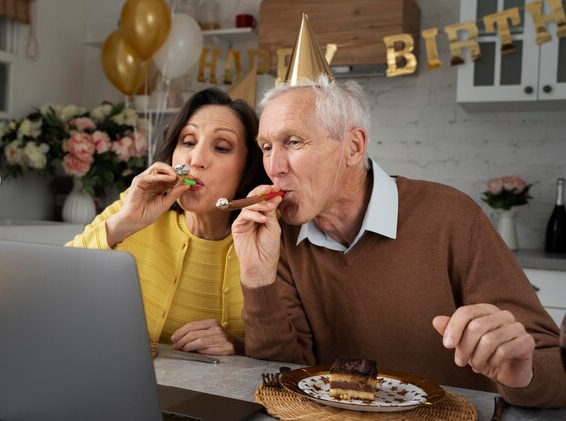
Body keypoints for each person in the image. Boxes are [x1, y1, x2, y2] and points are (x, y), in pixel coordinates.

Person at [231, 75, 566, 407]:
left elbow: (554, 367)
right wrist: (259, 280)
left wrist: (523, 375)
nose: (273, 167)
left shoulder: (453, 217)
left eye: (293, 142)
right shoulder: (282, 237)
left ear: (354, 146)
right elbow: (286, 376)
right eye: (266, 147)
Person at [67, 88, 269, 355]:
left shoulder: (267, 231)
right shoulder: (135, 205)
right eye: (187, 142)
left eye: (221, 147)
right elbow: (59, 283)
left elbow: (293, 350)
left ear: (249, 167)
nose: (195, 160)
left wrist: (240, 347)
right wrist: (124, 223)